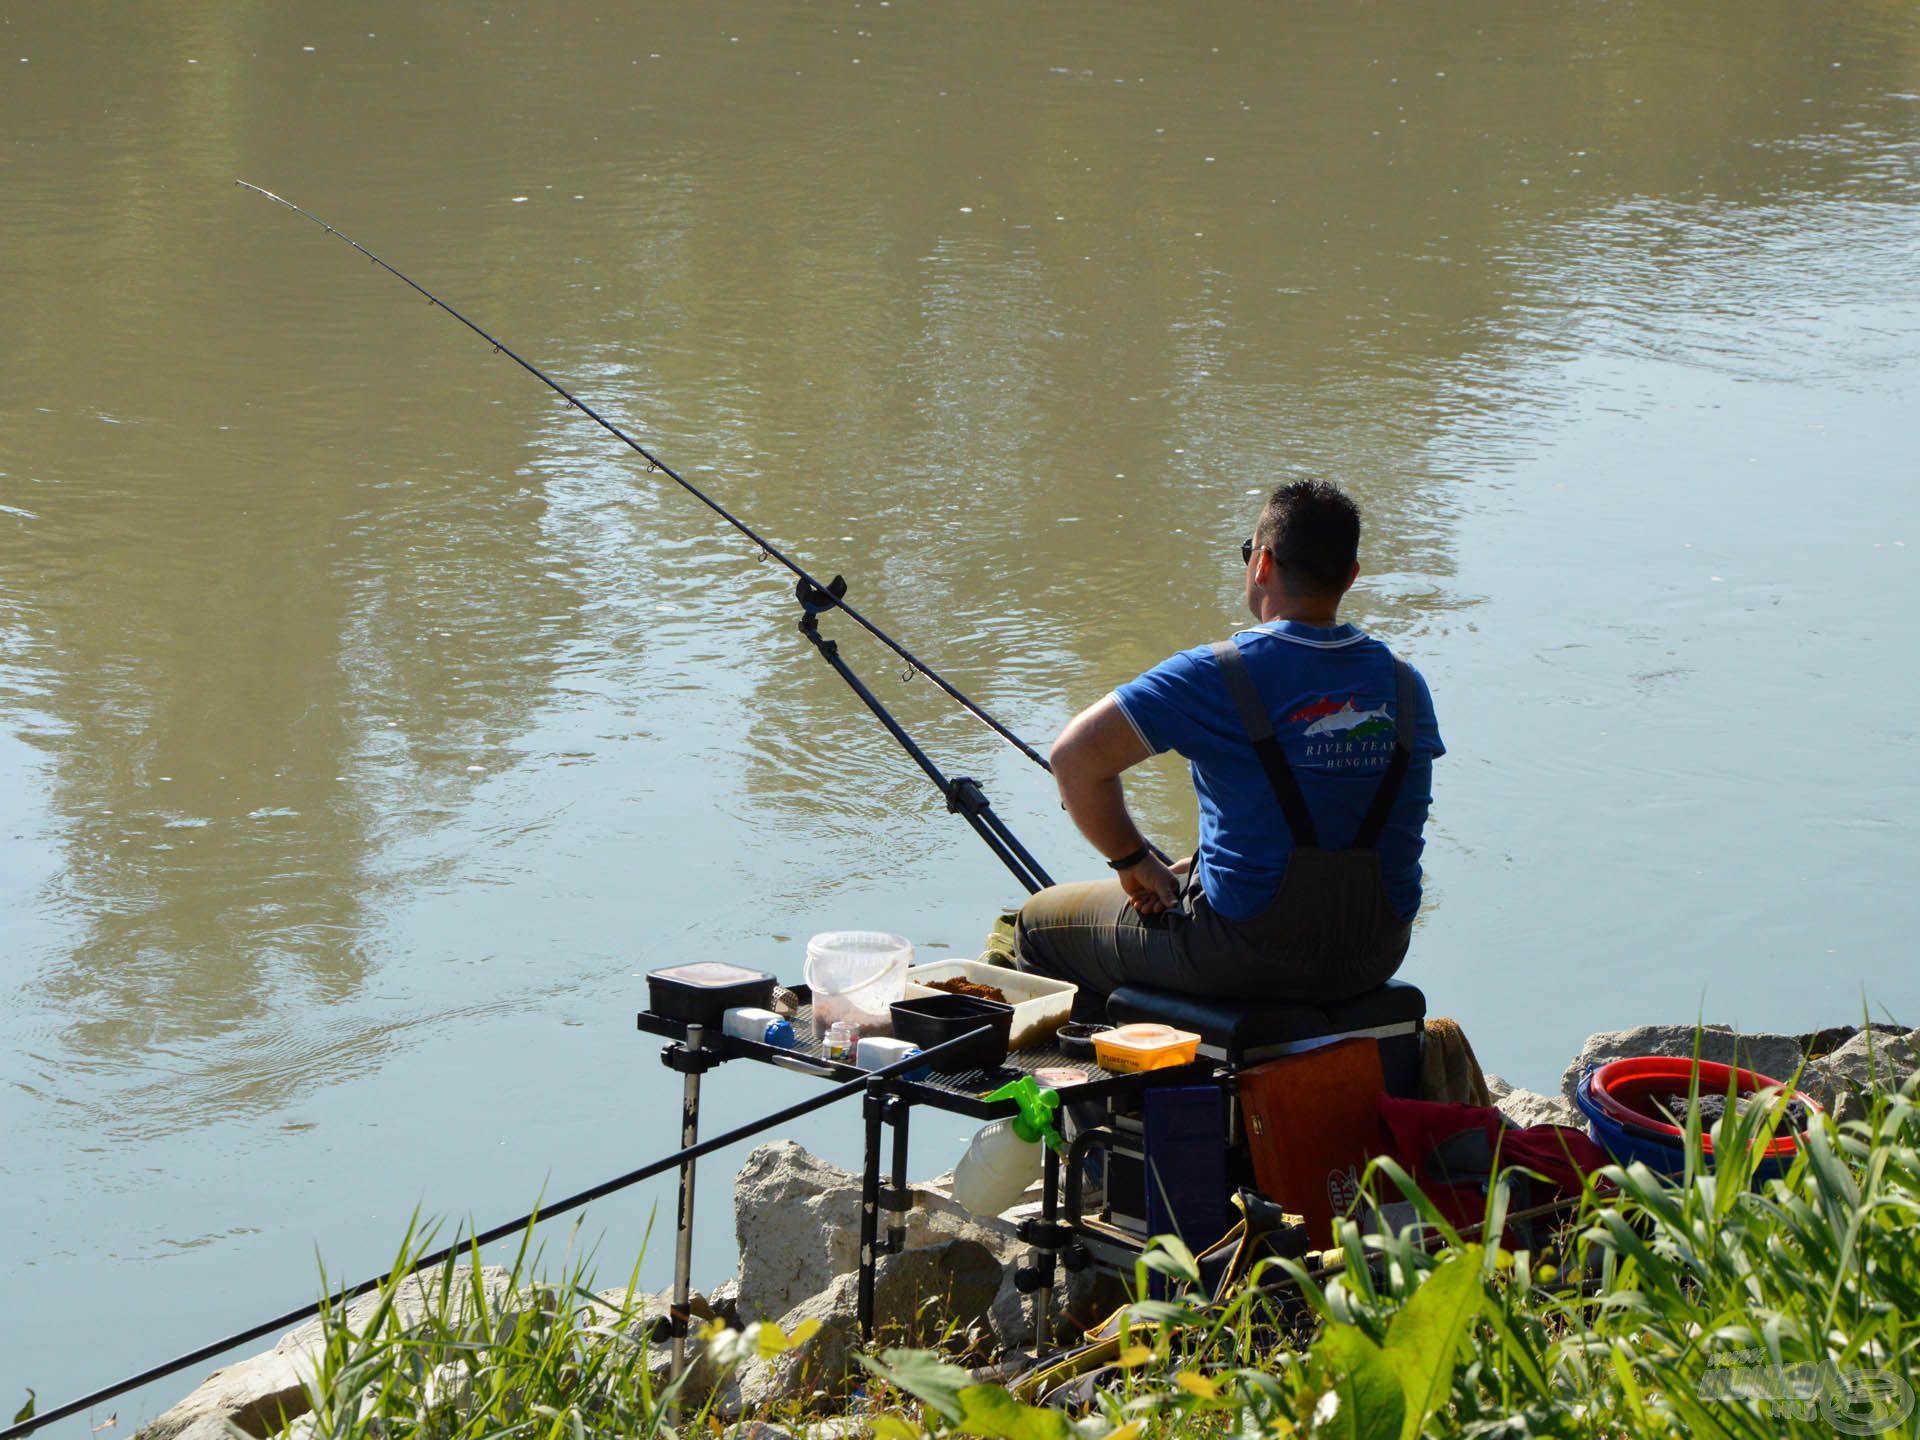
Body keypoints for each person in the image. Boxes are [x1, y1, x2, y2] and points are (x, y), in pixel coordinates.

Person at [1014, 479, 1443, 1013]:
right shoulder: (1407, 685)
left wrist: (1132, 861)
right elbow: (1343, 801)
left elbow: (1073, 759)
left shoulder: (1216, 674)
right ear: (1351, 577)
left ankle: (1115, 1089)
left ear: (1261, 564)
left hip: (1244, 952)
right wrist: (1208, 861)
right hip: (1375, 953)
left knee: (1037, 924)